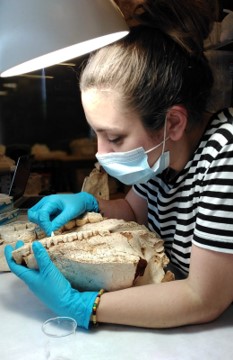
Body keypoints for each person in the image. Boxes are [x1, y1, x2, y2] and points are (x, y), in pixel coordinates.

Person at [5, 0, 233, 330]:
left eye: (113, 137)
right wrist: (89, 204)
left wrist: (85, 306)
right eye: (95, 133)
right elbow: (134, 210)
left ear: (173, 123)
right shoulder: (163, 156)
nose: (100, 153)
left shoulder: (224, 157)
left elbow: (202, 297)